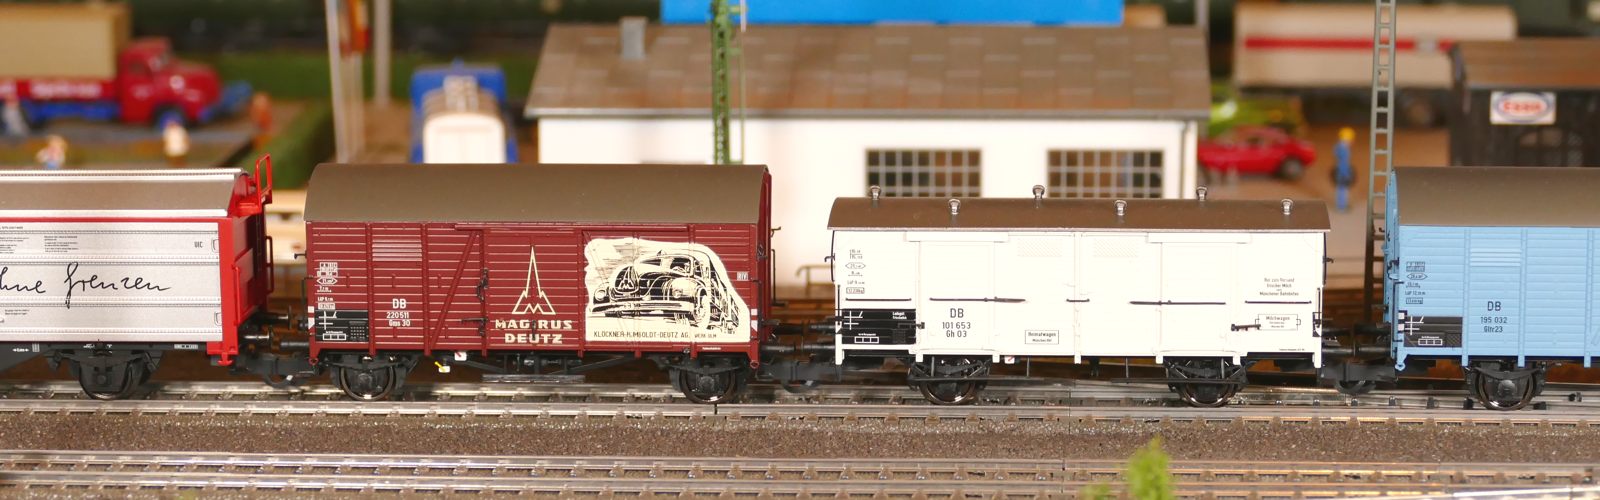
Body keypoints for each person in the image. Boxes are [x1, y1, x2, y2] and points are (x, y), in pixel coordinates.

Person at [1333, 127, 1355, 212]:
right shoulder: (1344, 150)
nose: (1351, 142)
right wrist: (1346, 174)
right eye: (1350, 140)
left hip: (1340, 171)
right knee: (1343, 190)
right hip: (1342, 173)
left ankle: (1341, 205)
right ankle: (1341, 207)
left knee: (1341, 189)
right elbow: (1343, 163)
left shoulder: (1339, 147)